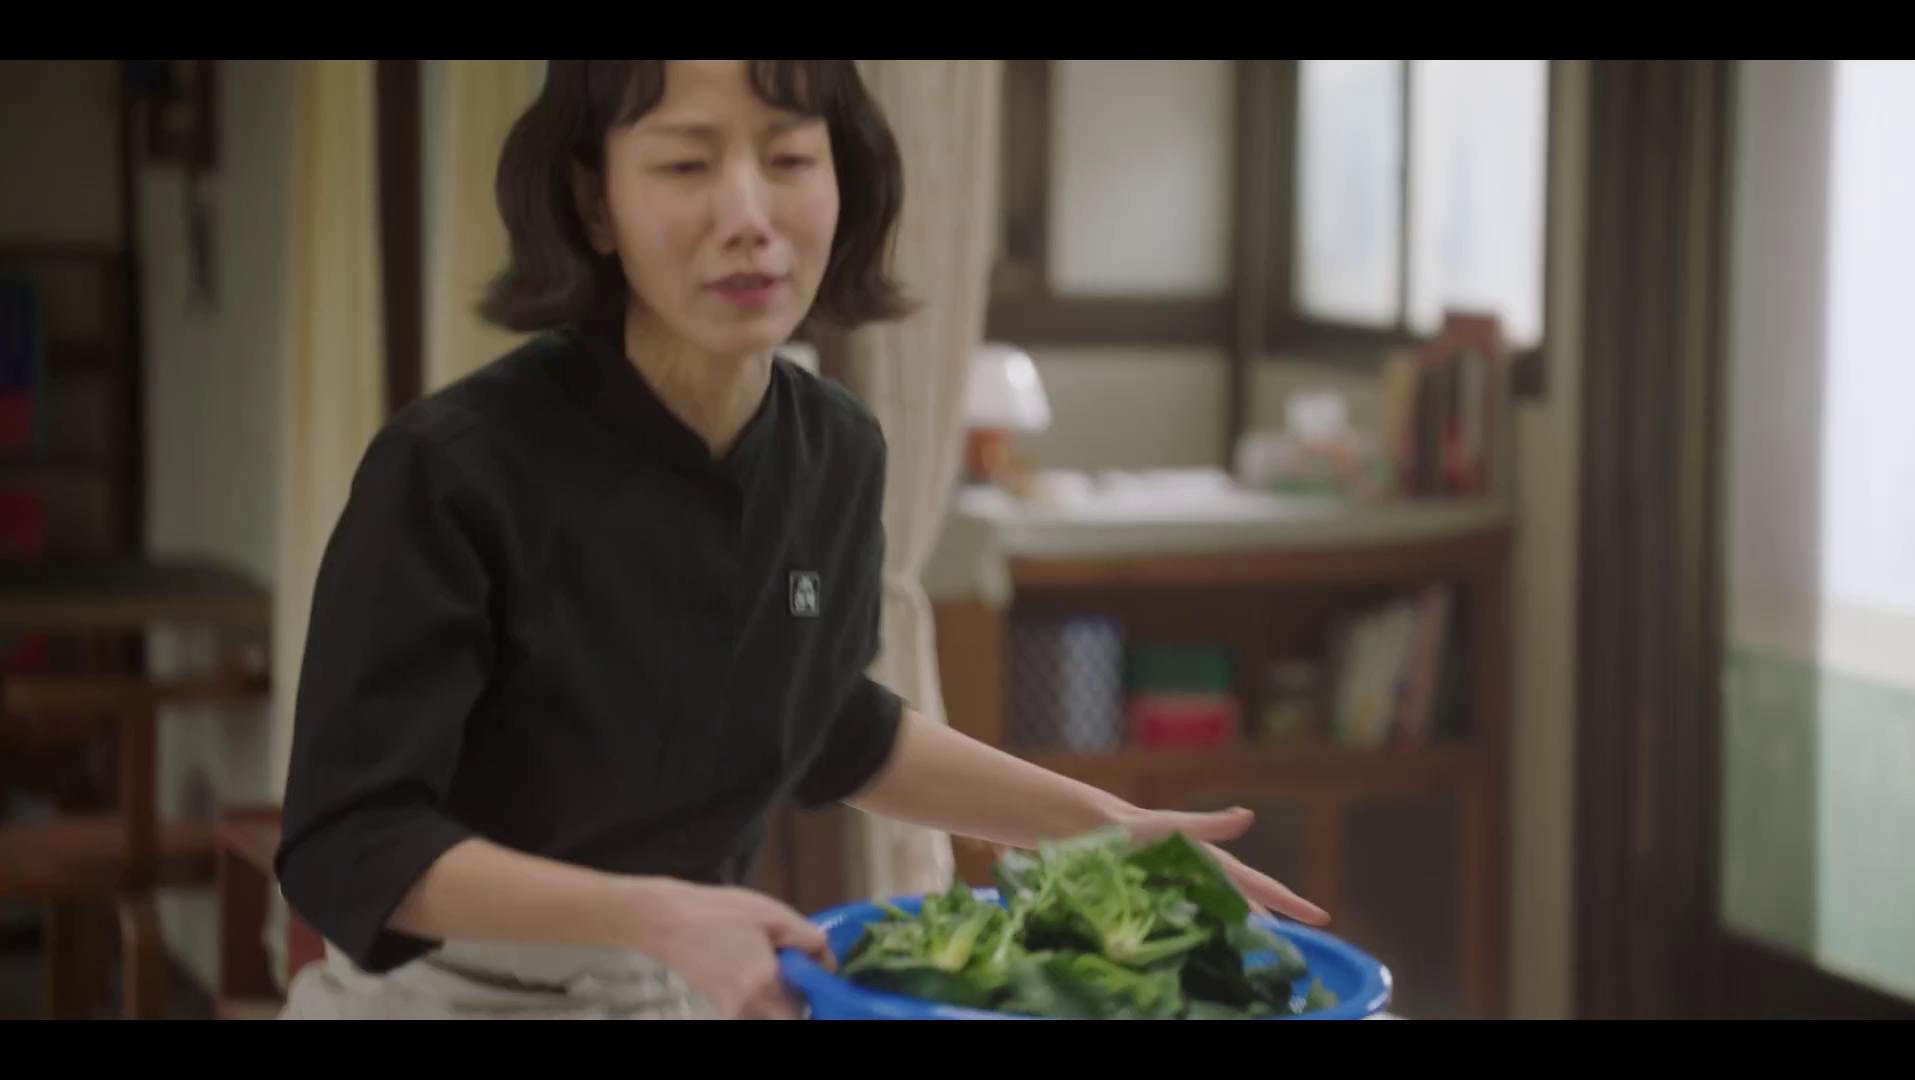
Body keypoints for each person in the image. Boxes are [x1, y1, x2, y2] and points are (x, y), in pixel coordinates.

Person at [272, 59, 1326, 1021]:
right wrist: (656, 915)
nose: (749, 217)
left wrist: (1100, 828)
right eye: (686, 164)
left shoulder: (836, 453)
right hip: (446, 997)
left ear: (843, 180)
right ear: (596, 203)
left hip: (692, 987)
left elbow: (820, 724)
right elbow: (349, 842)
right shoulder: (455, 467)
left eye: (787, 159)